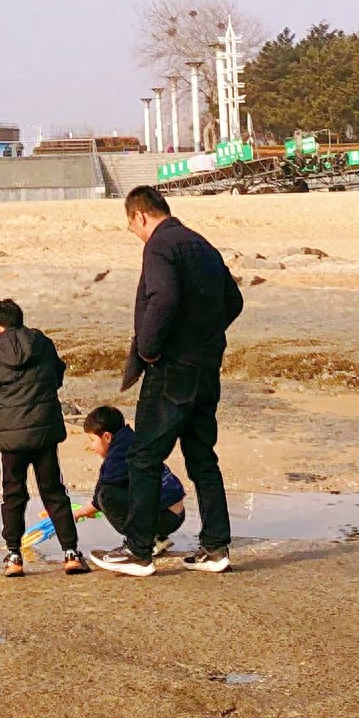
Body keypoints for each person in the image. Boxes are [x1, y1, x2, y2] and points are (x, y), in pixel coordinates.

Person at [92, 186, 244, 578]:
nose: (136, 235)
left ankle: (138, 551)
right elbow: (234, 302)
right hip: (206, 368)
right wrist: (205, 338)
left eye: (132, 227)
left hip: (172, 370)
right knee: (202, 458)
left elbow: (164, 299)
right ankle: (215, 547)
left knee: (143, 457)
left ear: (141, 216)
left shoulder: (160, 246)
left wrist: (148, 349)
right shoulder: (201, 245)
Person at [0, 299, 89, 578]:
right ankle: (70, 553)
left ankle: (14, 556)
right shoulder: (44, 344)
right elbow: (58, 376)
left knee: (13, 495)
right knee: (54, 492)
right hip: (44, 433)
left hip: (12, 441)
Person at [82, 403, 186, 549]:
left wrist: (80, 512)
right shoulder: (133, 440)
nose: (91, 446)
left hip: (166, 517)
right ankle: (157, 538)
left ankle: (140, 542)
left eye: (92, 440)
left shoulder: (119, 455)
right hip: (177, 513)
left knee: (106, 496)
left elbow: (102, 493)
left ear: (107, 437)